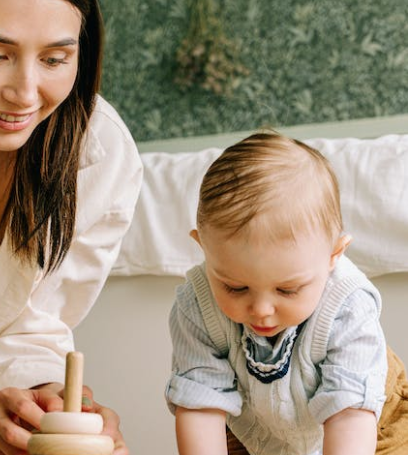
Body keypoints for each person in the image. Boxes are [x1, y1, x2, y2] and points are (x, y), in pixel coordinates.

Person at [0, 0, 142, 454]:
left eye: (55, 59)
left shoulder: (97, 154)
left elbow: (31, 322)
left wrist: (50, 403)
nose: (25, 93)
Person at [165, 132, 408, 455]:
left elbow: (349, 416)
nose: (261, 309)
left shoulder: (348, 305)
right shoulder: (197, 304)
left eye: (288, 289)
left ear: (334, 255)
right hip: (258, 423)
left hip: (370, 423)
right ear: (203, 249)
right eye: (235, 287)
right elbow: (200, 405)